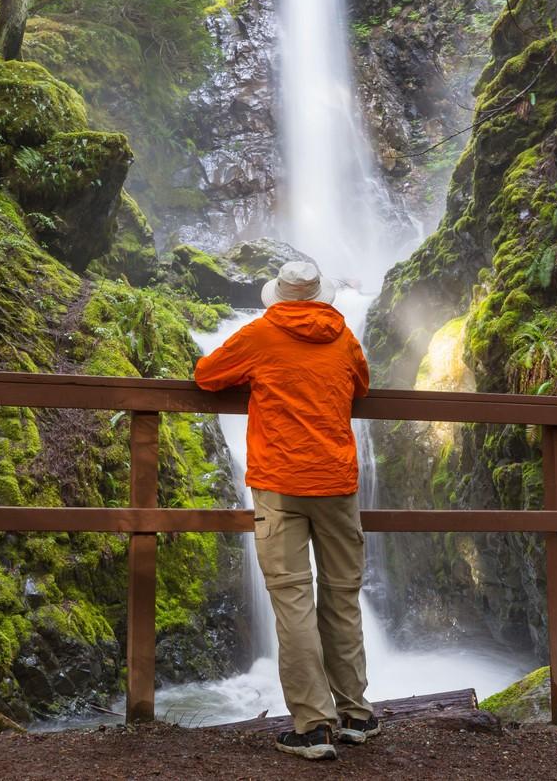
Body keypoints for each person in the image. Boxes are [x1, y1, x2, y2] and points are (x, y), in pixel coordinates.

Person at [194, 260, 378, 761]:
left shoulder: (260, 333)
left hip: (279, 484)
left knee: (293, 598)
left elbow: (206, 375)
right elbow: (360, 386)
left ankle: (315, 726)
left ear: (278, 295)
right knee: (341, 594)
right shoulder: (343, 338)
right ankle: (357, 714)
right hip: (337, 483)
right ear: (319, 297)